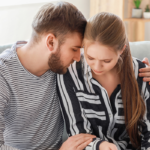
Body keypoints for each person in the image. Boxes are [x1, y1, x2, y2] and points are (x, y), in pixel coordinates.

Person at [0, 2, 97, 150]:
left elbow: (107, 60)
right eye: (74, 49)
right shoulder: (3, 74)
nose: (78, 57)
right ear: (51, 42)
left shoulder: (62, 65)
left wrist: (140, 71)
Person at [57, 12, 150, 150]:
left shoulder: (141, 72)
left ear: (122, 50)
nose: (97, 67)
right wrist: (100, 146)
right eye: (90, 58)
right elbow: (77, 133)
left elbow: (148, 130)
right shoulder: (70, 73)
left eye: (106, 61)